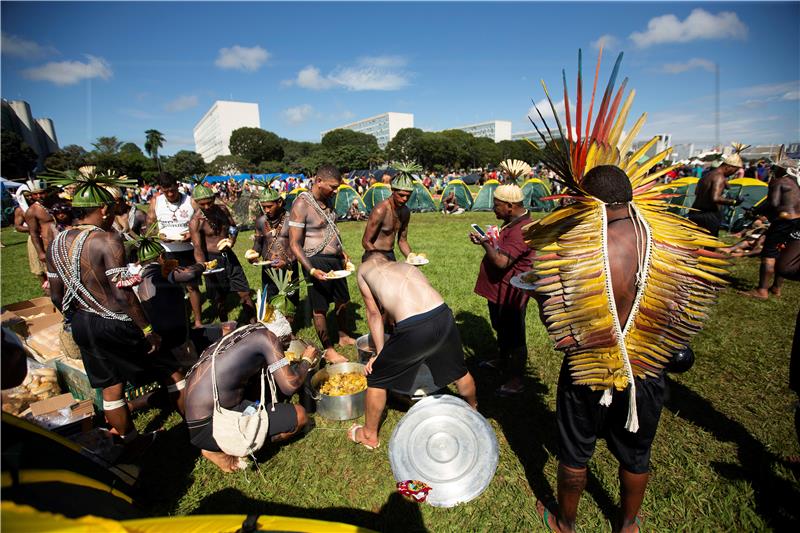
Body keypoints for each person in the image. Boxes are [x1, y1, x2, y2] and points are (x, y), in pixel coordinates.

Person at [524, 52, 728, 533]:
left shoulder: (570, 247)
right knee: (637, 451)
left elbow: (554, 319)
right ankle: (629, 524)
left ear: (586, 200)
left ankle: (566, 523)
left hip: (589, 366)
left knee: (576, 450)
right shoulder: (672, 240)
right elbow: (686, 307)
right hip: (648, 367)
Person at [45, 170, 181, 450]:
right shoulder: (107, 240)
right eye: (111, 209)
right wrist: (147, 330)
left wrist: (78, 320)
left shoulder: (56, 243)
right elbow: (124, 295)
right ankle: (197, 427)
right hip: (116, 323)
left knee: (111, 387)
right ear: (103, 209)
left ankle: (131, 442)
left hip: (83, 325)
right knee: (171, 370)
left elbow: (56, 297)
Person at [349, 250, 477, 449]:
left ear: (367, 259)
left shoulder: (365, 269)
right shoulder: (406, 265)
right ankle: (473, 412)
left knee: (376, 378)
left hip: (414, 327)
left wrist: (380, 355)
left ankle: (368, 435)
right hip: (443, 313)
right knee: (459, 371)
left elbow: (374, 314)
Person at [184, 312, 317, 472]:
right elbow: (290, 386)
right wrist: (307, 361)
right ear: (278, 337)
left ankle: (222, 442)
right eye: (285, 344)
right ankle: (226, 448)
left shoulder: (248, 331)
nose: (285, 348)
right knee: (300, 416)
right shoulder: (269, 338)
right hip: (212, 424)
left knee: (263, 392)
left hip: (197, 414)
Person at [469, 183, 534, 396]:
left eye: (496, 205)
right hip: (499, 290)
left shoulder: (522, 230)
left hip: (511, 293)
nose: (493, 208)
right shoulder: (512, 221)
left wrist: (484, 242)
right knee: (501, 327)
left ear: (509, 206)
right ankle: (503, 360)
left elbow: (501, 261)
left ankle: (516, 379)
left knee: (514, 335)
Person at [288, 165, 355, 364]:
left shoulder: (328, 200)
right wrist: (311, 269)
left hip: (335, 260)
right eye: (332, 187)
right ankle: (328, 349)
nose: (336, 191)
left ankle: (343, 336)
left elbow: (330, 227)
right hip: (315, 260)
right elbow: (294, 243)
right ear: (318, 181)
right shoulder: (301, 204)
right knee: (320, 308)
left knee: (343, 301)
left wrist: (341, 250)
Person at [189, 179, 256, 324]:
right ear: (196, 202)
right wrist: (203, 266)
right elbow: (198, 248)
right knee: (219, 298)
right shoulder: (196, 221)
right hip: (211, 260)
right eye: (202, 204)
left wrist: (231, 240)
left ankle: (254, 324)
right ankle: (225, 327)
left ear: (214, 198)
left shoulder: (222, 210)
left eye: (209, 202)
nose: (207, 206)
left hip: (229, 256)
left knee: (244, 292)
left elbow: (233, 227)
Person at [146, 173, 203, 328]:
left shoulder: (190, 201)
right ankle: (178, 320)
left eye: (173, 190)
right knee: (171, 287)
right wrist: (159, 235)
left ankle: (198, 321)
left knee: (191, 286)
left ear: (177, 185)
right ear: (161, 189)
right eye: (166, 191)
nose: (170, 194)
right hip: (167, 251)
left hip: (188, 249)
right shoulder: (155, 202)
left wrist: (191, 234)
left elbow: (203, 223)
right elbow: (149, 227)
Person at [741, 156, 800, 299]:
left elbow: (772, 203)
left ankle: (762, 290)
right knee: (784, 253)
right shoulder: (796, 184)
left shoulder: (778, 181)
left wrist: (755, 212)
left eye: (776, 168)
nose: (773, 170)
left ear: (782, 169)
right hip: (797, 222)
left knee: (769, 253)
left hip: (783, 222)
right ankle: (776, 288)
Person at [250, 185, 300, 323]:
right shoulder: (261, 221)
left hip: (289, 268)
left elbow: (299, 247)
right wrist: (253, 255)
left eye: (269, 206)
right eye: (263, 207)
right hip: (268, 269)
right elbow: (258, 245)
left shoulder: (292, 220)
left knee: (290, 300)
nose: (266, 210)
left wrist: (288, 261)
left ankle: (289, 332)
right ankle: (274, 329)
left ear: (279, 202)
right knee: (270, 300)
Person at [688, 145, 747, 236]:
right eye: (734, 171)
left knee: (692, 242)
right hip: (708, 215)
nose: (733, 173)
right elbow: (715, 198)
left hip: (695, 212)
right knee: (709, 245)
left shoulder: (707, 175)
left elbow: (697, 192)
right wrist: (734, 201)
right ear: (728, 167)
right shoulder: (719, 177)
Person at [361, 170, 415, 261]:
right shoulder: (380, 210)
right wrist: (379, 258)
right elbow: (366, 242)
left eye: (408, 196)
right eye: (401, 195)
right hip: (373, 254)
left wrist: (412, 258)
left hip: (390, 255)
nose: (405, 199)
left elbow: (402, 241)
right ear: (392, 190)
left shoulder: (405, 211)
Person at [23, 179, 54, 293]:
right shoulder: (32, 211)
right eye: (35, 194)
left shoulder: (56, 204)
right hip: (46, 245)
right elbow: (34, 233)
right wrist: (40, 252)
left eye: (42, 193)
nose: (39, 196)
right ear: (32, 196)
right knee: (51, 278)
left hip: (62, 243)